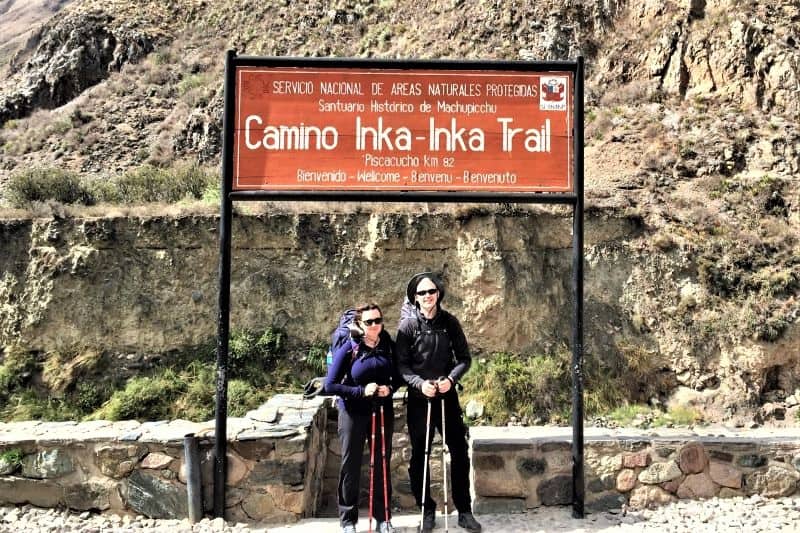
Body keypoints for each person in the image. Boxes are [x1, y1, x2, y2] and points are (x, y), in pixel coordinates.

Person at [396, 272, 483, 533]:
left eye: (431, 291)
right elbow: (401, 365)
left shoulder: (450, 323)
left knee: (459, 451)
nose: (427, 296)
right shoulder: (408, 327)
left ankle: (464, 510)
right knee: (419, 456)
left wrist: (451, 379)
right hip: (419, 400)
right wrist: (419, 383)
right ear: (415, 297)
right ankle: (426, 510)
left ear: (438, 294)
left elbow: (464, 358)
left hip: (447, 398)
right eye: (422, 293)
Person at [324, 303, 396, 533]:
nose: (374, 325)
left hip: (381, 409)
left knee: (382, 464)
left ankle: (383, 518)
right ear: (359, 324)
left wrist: (390, 388)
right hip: (352, 412)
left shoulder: (387, 344)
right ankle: (348, 521)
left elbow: (399, 374)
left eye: (378, 320)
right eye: (369, 322)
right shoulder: (350, 347)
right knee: (350, 465)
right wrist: (360, 391)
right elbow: (330, 385)